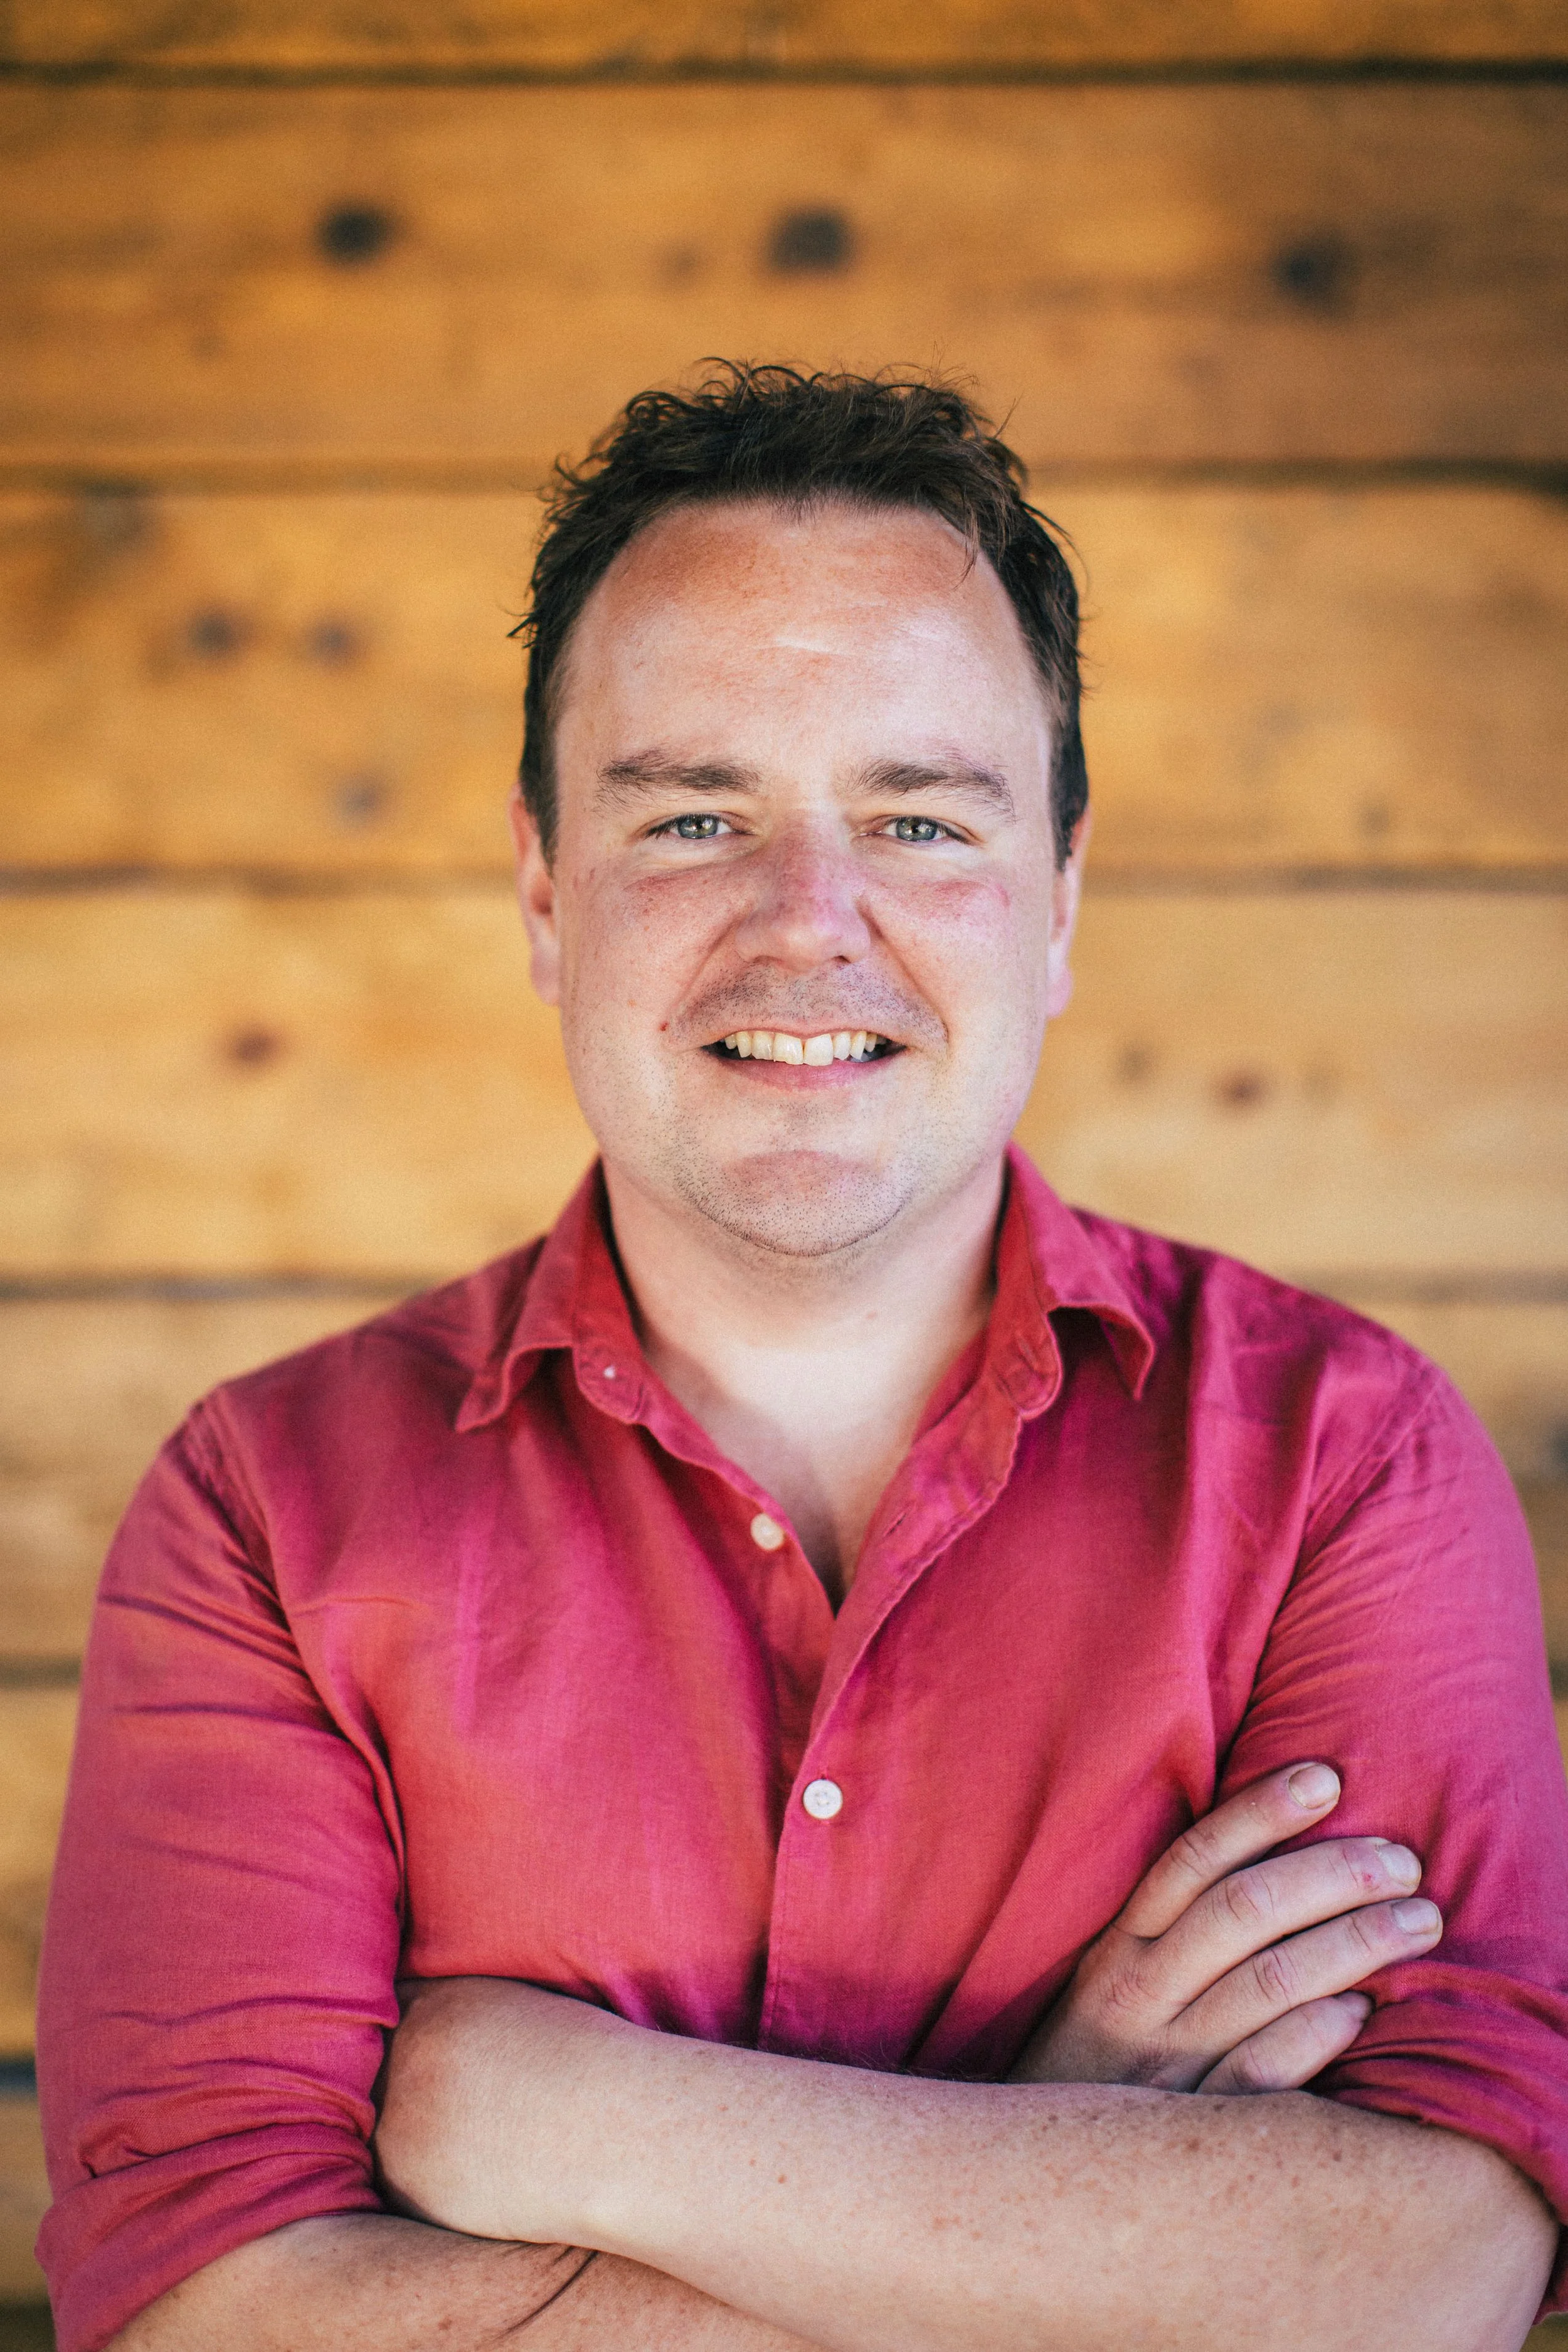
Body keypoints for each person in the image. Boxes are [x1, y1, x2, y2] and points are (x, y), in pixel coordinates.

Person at [36, 366, 1568, 2352]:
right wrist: (1064, 2169)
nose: (806, 924)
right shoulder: (267, 1502)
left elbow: (1434, 2262)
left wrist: (561, 2110)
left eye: (917, 816)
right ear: (542, 893)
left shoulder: (1340, 1452)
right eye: (694, 813)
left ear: (1057, 900)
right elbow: (205, 2314)